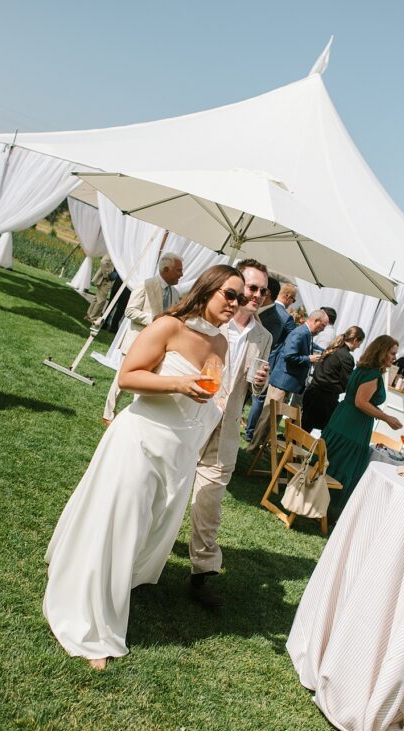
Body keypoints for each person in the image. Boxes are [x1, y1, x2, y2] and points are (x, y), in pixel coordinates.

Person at [43, 264, 245, 669]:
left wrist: (214, 406)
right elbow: (128, 376)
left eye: (242, 298)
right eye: (231, 294)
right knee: (118, 526)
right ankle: (89, 624)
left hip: (179, 450)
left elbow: (208, 391)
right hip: (139, 440)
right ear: (207, 290)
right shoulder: (168, 326)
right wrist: (177, 384)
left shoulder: (222, 345)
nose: (238, 304)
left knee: (145, 527)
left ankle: (112, 582)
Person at [189, 258, 271, 606]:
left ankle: (200, 577)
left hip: (226, 431)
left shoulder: (264, 336)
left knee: (209, 502)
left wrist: (260, 385)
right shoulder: (210, 321)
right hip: (191, 418)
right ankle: (144, 558)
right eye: (252, 287)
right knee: (167, 490)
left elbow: (253, 389)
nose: (256, 295)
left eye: (262, 291)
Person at [102, 252, 183, 423]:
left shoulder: (175, 293)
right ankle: (108, 414)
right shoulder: (145, 285)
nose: (181, 274)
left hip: (157, 347)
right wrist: (152, 319)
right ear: (166, 269)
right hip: (135, 341)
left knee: (144, 382)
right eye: (179, 270)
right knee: (121, 380)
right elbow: (129, 311)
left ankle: (135, 418)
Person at [322, 335, 402, 501]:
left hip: (344, 417)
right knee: (342, 461)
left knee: (331, 456)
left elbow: (359, 399)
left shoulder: (362, 369)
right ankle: (328, 504)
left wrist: (376, 411)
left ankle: (315, 495)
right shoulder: (372, 374)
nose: (395, 358)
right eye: (392, 353)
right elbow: (361, 402)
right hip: (354, 424)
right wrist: (386, 417)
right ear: (382, 352)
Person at [247, 310, 329, 451]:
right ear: (316, 321)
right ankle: (253, 446)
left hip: (287, 383)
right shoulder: (300, 333)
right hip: (282, 382)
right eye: (323, 326)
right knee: (268, 417)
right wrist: (308, 359)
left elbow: (305, 349)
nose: (322, 330)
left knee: (275, 418)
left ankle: (262, 446)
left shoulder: (306, 334)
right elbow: (289, 356)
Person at [244, 279, 297, 441]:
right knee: (257, 399)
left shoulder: (276, 317)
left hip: (258, 366)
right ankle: (249, 431)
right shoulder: (285, 317)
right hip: (262, 363)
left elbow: (269, 343)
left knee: (253, 397)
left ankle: (249, 431)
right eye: (293, 300)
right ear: (287, 296)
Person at [301, 326, 366, 433]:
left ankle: (291, 447)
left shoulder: (332, 349)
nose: (359, 347)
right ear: (355, 340)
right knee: (330, 430)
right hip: (324, 400)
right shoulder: (346, 357)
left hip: (311, 393)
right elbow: (347, 383)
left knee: (303, 428)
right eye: (359, 343)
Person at [85, 254, 114, 323]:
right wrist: (107, 274)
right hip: (104, 280)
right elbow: (103, 262)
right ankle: (93, 318)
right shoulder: (111, 252)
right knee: (101, 300)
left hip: (103, 279)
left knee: (97, 298)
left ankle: (89, 315)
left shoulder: (111, 250)